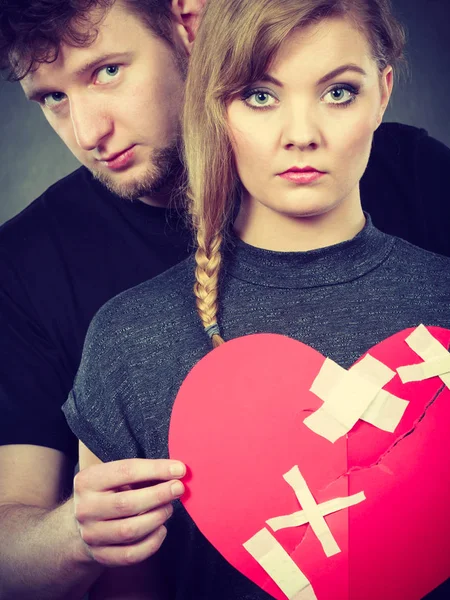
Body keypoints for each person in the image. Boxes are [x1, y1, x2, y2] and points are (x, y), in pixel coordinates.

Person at [0, 0, 450, 598]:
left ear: (189, 24)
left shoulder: (410, 173)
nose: (87, 133)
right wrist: (77, 536)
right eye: (52, 97)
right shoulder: (54, 280)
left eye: (107, 70)